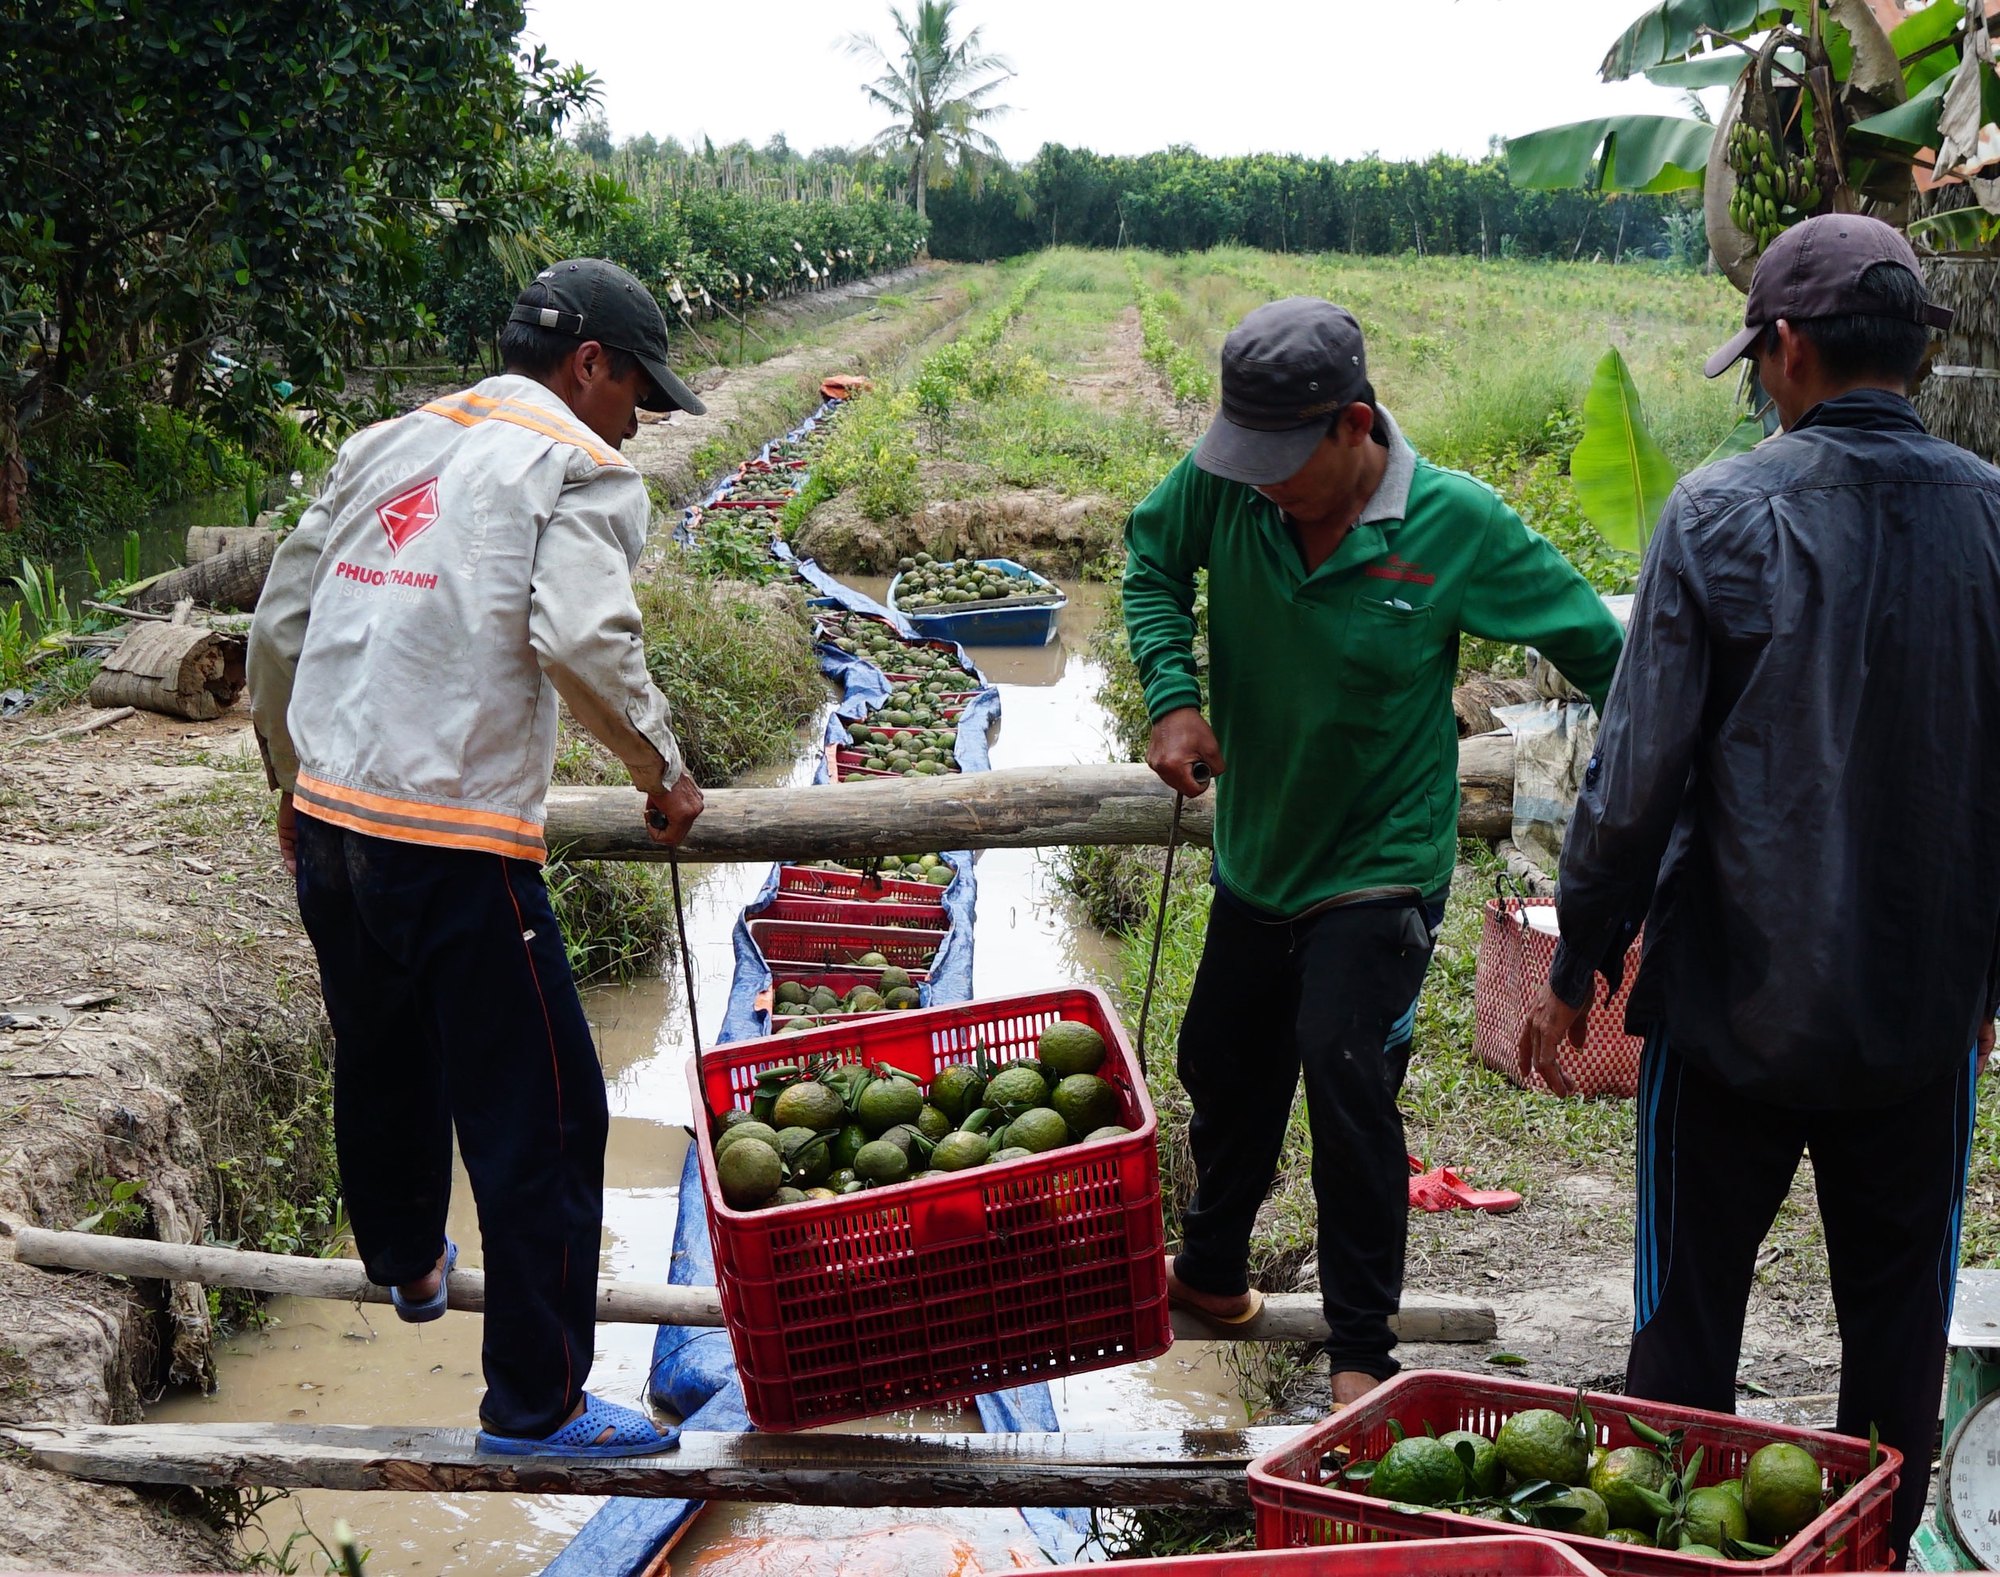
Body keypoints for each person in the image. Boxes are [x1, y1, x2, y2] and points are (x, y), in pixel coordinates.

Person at [1518, 214, 1999, 1556]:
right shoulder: (1995, 516)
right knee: (1896, 1331)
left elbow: (1636, 777)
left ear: (1786, 349)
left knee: (1686, 1322)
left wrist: (1578, 969)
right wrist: (1986, 986)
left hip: (1730, 1011)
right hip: (1916, 1022)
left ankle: (1667, 1549)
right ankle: (1870, 1552)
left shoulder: (1721, 513)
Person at [1124, 296, 1625, 1404]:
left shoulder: (1457, 524)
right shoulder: (1226, 479)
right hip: (1259, 853)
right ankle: (1209, 1273)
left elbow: (1608, 656)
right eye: (1240, 459)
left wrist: (1681, 775)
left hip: (1380, 862)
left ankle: (1359, 1356)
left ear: (1354, 425)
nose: (1256, 484)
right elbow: (1151, 563)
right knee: (1222, 1064)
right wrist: (1171, 696)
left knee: (1345, 1074)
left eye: (1280, 462)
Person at [248, 259, 706, 1458]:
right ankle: (538, 1401)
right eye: (636, 393)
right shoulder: (577, 464)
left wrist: (291, 783)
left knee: (383, 1053)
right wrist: (660, 769)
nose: (637, 423)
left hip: (336, 822)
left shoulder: (389, 439)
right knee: (546, 1118)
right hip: (453, 841)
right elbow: (580, 634)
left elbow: (282, 621)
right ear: (588, 364)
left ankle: (406, 1261)